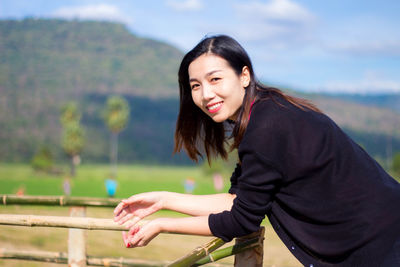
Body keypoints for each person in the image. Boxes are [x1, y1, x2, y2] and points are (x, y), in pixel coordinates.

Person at [113, 35, 400, 266]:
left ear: (244, 76)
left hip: (381, 245)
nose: (205, 94)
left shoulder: (267, 127)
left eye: (215, 79)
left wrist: (163, 225)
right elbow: (238, 201)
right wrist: (163, 199)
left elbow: (240, 220)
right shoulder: (269, 111)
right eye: (196, 86)